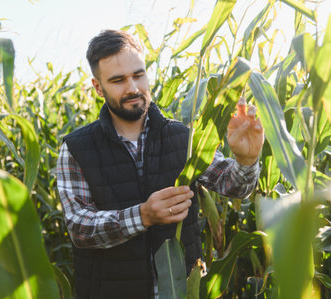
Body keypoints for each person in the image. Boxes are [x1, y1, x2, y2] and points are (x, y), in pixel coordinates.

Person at [56, 29, 264, 299]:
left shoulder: (183, 139)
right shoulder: (77, 148)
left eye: (138, 75)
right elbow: (79, 227)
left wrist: (247, 159)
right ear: (98, 87)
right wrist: (143, 215)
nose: (132, 88)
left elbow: (233, 185)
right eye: (118, 80)